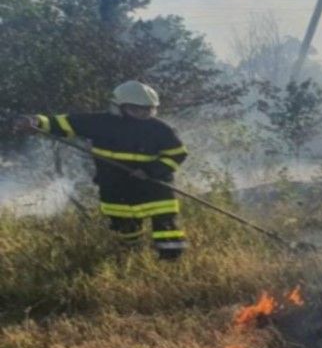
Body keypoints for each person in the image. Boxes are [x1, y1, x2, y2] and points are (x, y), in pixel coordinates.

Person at [12, 80, 189, 260]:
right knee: (125, 229)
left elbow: (177, 153)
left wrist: (151, 171)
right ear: (118, 107)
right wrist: (35, 122)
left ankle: (172, 261)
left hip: (154, 188)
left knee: (166, 228)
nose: (143, 114)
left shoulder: (160, 129)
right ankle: (131, 258)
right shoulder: (99, 123)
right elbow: (65, 123)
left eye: (148, 109)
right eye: (136, 109)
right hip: (116, 189)